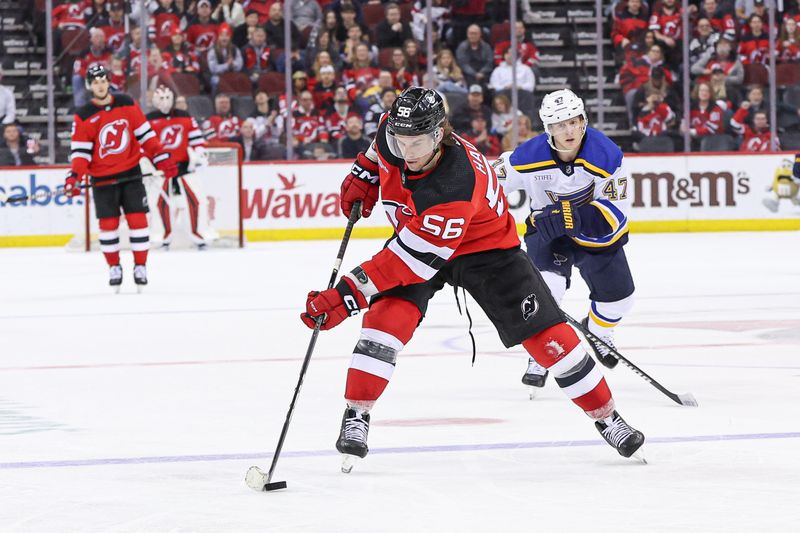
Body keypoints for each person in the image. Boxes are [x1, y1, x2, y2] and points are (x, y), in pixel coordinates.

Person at [301, 87, 645, 472]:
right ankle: (357, 414)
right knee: (384, 324)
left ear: (438, 134)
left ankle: (607, 417)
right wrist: (364, 173)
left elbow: (406, 263)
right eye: (401, 141)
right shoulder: (393, 130)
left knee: (550, 337)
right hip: (418, 237)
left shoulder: (455, 185)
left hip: (486, 251)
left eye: (417, 143)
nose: (407, 152)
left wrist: (344, 297)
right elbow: (380, 143)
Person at [493, 89, 634, 397]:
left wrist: (571, 217)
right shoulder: (527, 157)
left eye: (574, 121)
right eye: (560, 125)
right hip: (548, 234)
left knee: (620, 299)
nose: (569, 130)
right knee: (548, 290)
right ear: (548, 129)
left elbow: (616, 213)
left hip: (597, 237)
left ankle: (599, 332)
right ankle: (540, 352)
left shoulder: (607, 155)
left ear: (584, 120)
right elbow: (488, 186)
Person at [64, 65, 178, 291]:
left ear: (108, 82)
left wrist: (161, 157)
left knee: (138, 222)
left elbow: (146, 135)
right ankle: (114, 267)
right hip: (103, 178)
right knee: (108, 226)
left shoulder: (126, 102)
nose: (100, 85)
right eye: (95, 82)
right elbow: (80, 153)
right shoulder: (84, 114)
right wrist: (74, 177)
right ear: (90, 85)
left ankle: (140, 266)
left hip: (130, 173)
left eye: (103, 80)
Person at [146, 86, 209, 249]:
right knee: (160, 204)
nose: (165, 103)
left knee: (194, 201)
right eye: (161, 99)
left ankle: (197, 234)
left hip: (184, 168)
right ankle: (164, 236)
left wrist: (200, 154)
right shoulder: (149, 119)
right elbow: (143, 145)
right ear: (154, 101)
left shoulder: (185, 116)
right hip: (161, 170)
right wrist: (146, 164)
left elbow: (196, 140)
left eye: (168, 98)